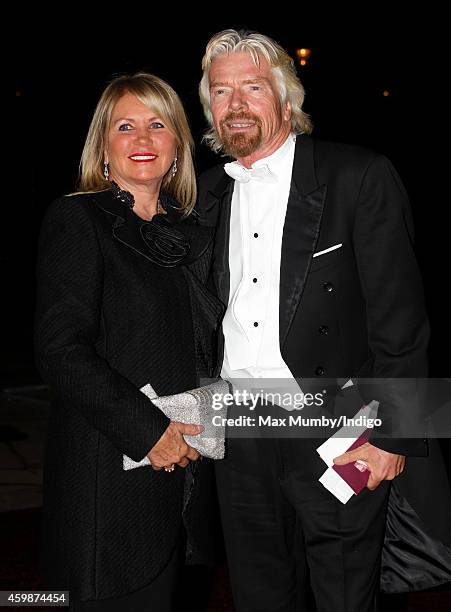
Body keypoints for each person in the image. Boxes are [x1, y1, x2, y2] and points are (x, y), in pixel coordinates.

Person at [196, 30, 451, 611]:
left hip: (339, 430)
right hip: (238, 434)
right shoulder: (205, 195)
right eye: (221, 90)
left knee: (344, 596)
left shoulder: (358, 175)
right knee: (259, 596)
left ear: (286, 100)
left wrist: (394, 436)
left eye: (252, 87)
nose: (235, 104)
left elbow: (403, 323)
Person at [35, 72, 222, 611]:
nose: (142, 139)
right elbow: (60, 350)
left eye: (157, 124)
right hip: (108, 482)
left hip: (186, 477)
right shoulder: (79, 218)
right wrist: (148, 432)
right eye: (125, 126)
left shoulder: (199, 232)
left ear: (177, 144)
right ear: (104, 147)